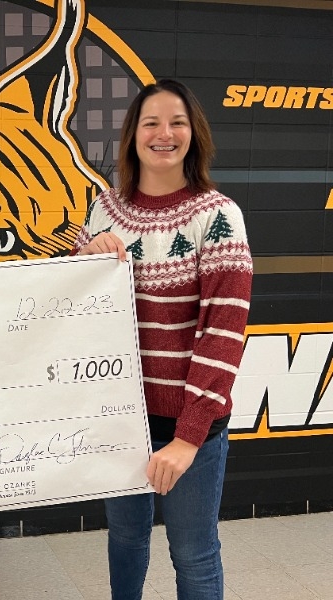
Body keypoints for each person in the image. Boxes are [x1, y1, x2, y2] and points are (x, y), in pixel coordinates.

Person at [72, 79, 252, 599]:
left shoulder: (217, 217)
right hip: (121, 415)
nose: (164, 133)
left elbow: (222, 331)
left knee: (193, 553)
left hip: (189, 422)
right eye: (151, 122)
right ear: (133, 135)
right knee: (126, 538)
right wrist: (86, 259)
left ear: (193, 134)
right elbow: (74, 308)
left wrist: (188, 436)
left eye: (177, 122)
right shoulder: (104, 210)